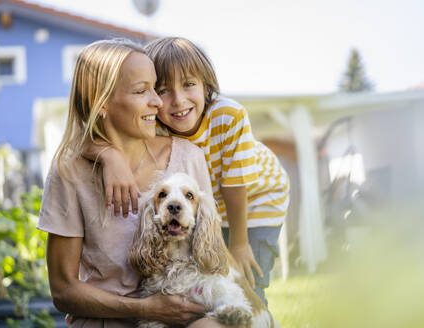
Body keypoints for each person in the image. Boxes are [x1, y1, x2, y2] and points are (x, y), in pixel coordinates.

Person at [37, 39, 227, 327]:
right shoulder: (70, 172)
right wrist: (146, 310)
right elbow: (63, 290)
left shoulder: (188, 157)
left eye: (155, 87)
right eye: (142, 91)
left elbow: (212, 255)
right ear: (100, 103)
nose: (158, 101)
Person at [91, 37, 290, 306]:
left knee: (244, 279)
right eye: (163, 90)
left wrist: (239, 244)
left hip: (257, 198)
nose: (178, 100)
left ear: (206, 86)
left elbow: (236, 184)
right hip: (205, 205)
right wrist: (109, 156)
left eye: (188, 84)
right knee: (207, 273)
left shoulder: (229, 115)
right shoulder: (157, 125)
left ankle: (256, 311)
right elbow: (88, 138)